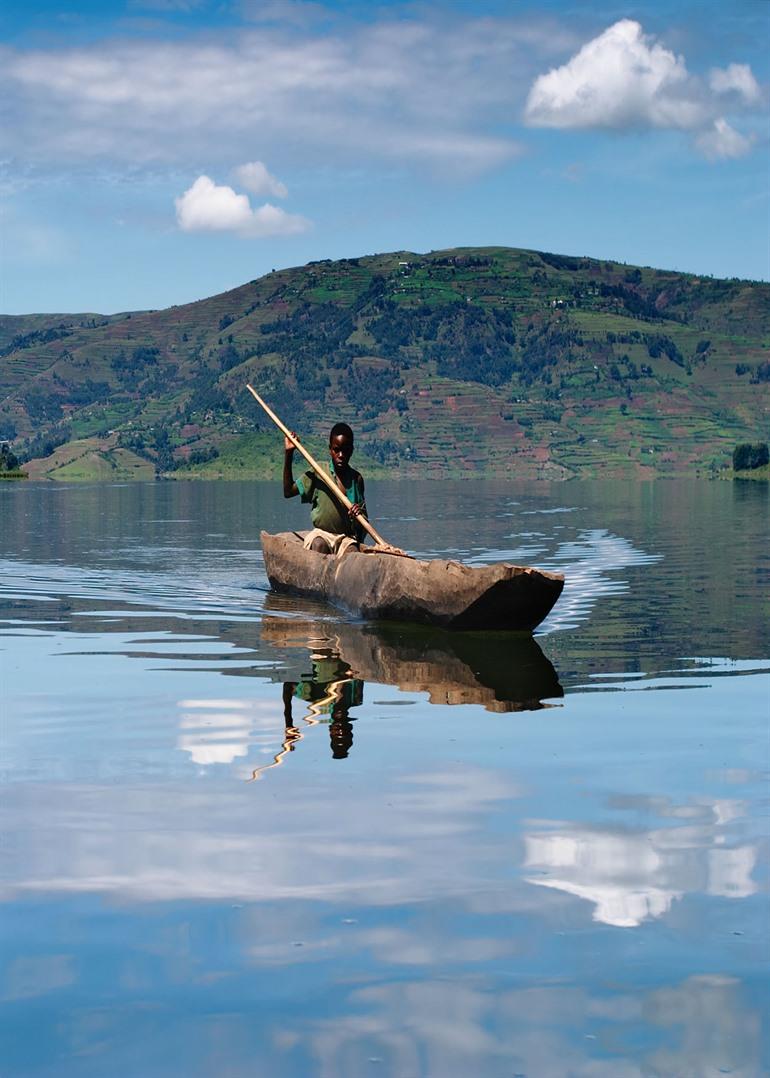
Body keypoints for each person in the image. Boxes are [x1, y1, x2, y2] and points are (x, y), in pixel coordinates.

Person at [283, 422, 367, 555]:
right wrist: (289, 454)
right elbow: (288, 491)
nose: (341, 455)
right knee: (319, 545)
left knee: (352, 554)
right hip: (322, 535)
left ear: (351, 450)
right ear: (330, 449)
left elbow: (363, 526)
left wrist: (357, 517)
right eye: (336, 450)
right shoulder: (319, 471)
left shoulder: (356, 479)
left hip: (345, 539)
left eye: (345, 450)